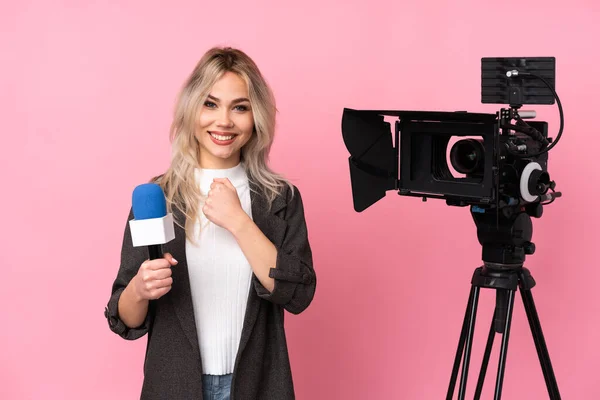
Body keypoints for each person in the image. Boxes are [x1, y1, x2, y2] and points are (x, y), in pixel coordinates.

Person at [104, 46, 316, 400]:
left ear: (256, 117)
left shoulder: (281, 199)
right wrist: (139, 289)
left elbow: (298, 295)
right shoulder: (158, 197)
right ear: (191, 110)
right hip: (174, 386)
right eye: (210, 103)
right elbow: (123, 317)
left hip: (258, 385)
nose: (224, 122)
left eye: (240, 107)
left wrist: (240, 222)